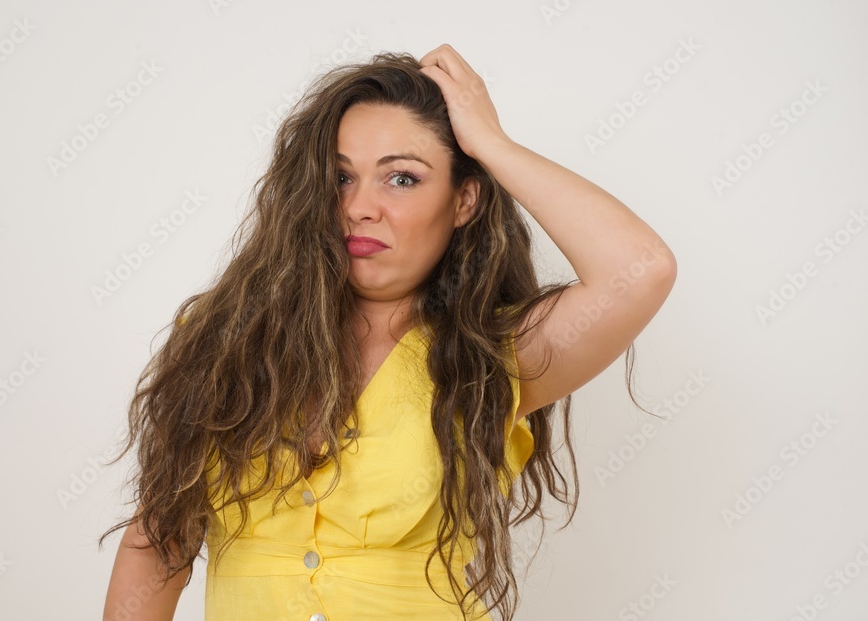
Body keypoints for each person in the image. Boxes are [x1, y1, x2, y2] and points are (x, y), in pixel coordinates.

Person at [100, 43, 677, 620]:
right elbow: (160, 541)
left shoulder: (495, 356)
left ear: (464, 199)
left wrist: (491, 145)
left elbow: (641, 269)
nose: (360, 207)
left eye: (401, 178)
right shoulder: (223, 338)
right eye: (341, 177)